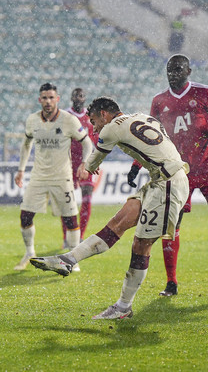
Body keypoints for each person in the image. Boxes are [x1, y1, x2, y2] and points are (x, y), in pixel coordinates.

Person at [30, 96, 190, 320]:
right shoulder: (141, 117)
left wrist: (86, 166)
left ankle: (123, 307)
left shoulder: (110, 129)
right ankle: (67, 260)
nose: (93, 126)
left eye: (94, 120)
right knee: (117, 223)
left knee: (141, 245)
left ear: (104, 114)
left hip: (169, 184)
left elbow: (92, 164)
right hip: (161, 179)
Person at [127, 54, 208, 296]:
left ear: (189, 71)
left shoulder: (204, 93)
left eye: (178, 69)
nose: (173, 73)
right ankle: (171, 282)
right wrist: (136, 164)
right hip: (178, 172)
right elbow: (149, 138)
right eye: (170, 69)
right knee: (172, 225)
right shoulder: (159, 101)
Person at [13, 83, 93, 271]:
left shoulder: (69, 120)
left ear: (57, 99)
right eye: (44, 98)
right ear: (39, 100)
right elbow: (26, 144)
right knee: (25, 216)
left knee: (70, 219)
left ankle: (73, 258)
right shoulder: (32, 120)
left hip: (62, 177)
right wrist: (21, 169)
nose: (48, 101)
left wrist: (84, 164)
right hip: (39, 177)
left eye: (51, 97)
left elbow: (87, 143)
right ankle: (30, 251)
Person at [61, 88, 99, 247]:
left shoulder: (90, 118)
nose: (79, 98)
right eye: (76, 95)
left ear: (85, 99)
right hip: (68, 163)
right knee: (66, 202)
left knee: (87, 199)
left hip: (85, 162)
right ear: (71, 98)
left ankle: (80, 236)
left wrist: (95, 161)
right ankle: (66, 237)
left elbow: (94, 140)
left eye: (81, 96)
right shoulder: (64, 116)